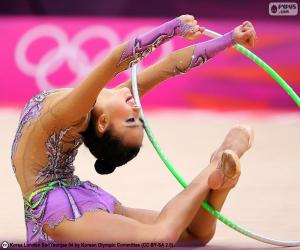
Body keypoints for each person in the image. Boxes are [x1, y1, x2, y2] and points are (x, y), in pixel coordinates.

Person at [11, 15, 256, 244]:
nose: (138, 109)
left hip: (59, 206)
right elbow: (169, 66)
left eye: (130, 121)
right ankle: (218, 168)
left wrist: (179, 30)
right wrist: (228, 40)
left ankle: (219, 172)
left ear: (104, 123)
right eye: (138, 120)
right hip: (66, 203)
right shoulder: (91, 110)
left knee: (177, 233)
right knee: (183, 235)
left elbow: (114, 62)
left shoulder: (76, 111)